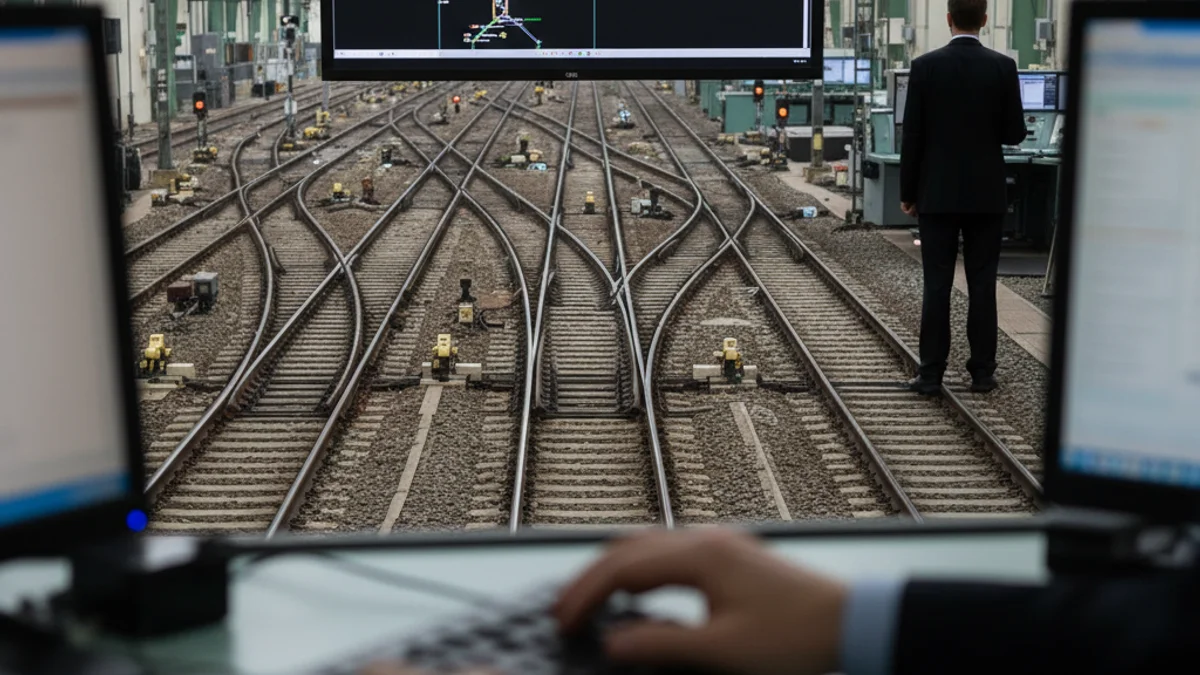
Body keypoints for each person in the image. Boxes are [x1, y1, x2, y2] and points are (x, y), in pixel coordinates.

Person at [899, 0, 1028, 396]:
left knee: (936, 284)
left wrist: (908, 193)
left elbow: (912, 136)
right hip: (986, 196)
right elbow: (1015, 133)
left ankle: (931, 374)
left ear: (948, 19)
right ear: (985, 20)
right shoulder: (1003, 67)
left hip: (936, 194)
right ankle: (982, 373)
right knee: (983, 283)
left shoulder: (924, 67)